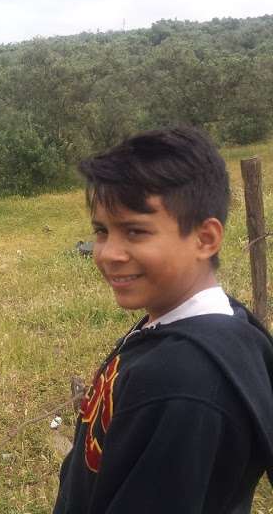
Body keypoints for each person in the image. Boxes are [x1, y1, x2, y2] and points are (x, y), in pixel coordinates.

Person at [54, 126, 273, 513]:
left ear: (205, 239)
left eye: (135, 231)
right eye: (102, 231)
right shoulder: (196, 322)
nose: (107, 253)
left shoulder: (184, 384)